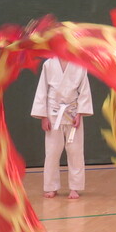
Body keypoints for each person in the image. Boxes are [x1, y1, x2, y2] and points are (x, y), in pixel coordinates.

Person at [30, 58, 93, 198]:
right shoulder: (48, 64)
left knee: (75, 151)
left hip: (72, 113)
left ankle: (75, 188)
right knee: (52, 152)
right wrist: (43, 116)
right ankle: (51, 187)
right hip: (53, 113)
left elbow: (84, 91)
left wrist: (80, 114)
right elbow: (42, 91)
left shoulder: (80, 65)